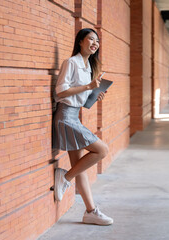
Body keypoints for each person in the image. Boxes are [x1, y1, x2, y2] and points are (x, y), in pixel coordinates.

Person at [52, 28, 113, 226]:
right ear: (80, 41)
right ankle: (65, 177)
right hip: (65, 117)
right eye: (91, 39)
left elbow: (83, 102)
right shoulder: (71, 62)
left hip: (75, 116)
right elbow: (60, 92)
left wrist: (95, 95)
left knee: (81, 168)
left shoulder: (88, 68)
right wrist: (88, 87)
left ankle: (90, 212)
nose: (95, 43)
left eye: (97, 41)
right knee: (102, 150)